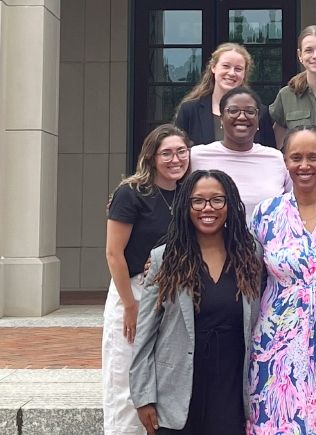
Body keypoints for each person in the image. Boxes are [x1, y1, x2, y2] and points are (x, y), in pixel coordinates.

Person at [247, 126, 316, 434]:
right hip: (275, 341)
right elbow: (245, 271)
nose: (304, 165)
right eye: (296, 157)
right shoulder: (266, 213)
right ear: (285, 161)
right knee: (277, 421)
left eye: (313, 157)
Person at [129, 169, 262, 434]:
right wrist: (143, 396)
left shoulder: (251, 255)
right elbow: (145, 335)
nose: (207, 208)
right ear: (185, 206)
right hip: (176, 392)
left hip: (231, 388)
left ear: (230, 204)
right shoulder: (163, 259)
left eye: (217, 200)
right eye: (198, 201)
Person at [103, 124, 190, 435]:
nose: (175, 159)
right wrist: (129, 305)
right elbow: (114, 253)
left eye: (181, 152)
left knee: (161, 380)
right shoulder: (131, 193)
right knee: (126, 379)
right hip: (134, 290)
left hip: (172, 293)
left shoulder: (188, 192)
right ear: (152, 157)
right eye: (166, 153)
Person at [189, 86, 290, 222]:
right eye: (233, 111)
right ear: (221, 119)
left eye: (250, 111)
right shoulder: (196, 156)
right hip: (211, 242)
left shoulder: (277, 159)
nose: (242, 117)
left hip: (265, 242)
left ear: (258, 119)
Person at [174, 43, 275, 147]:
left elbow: (270, 154)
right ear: (213, 67)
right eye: (226, 66)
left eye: (238, 69)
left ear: (244, 73)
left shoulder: (260, 113)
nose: (231, 73)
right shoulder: (189, 111)